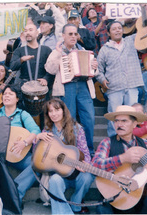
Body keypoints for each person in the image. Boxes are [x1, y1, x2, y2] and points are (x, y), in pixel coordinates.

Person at [0, 84, 41, 205]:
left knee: (36, 165)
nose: (6, 96)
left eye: (10, 94)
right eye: (5, 94)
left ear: (17, 98)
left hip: (16, 153)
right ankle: (10, 196)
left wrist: (24, 142)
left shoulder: (22, 114)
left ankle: (15, 192)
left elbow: (36, 131)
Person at [92, 105, 147, 214]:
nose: (119, 124)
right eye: (117, 121)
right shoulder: (107, 142)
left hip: (139, 196)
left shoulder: (145, 144)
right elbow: (95, 164)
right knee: (102, 210)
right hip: (115, 195)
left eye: (124, 121)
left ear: (134, 124)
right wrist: (122, 158)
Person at [45, 23, 98, 155]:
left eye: (75, 34)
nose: (73, 36)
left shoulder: (83, 49)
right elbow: (50, 69)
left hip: (83, 85)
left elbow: (93, 73)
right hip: (66, 87)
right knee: (69, 119)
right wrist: (58, 54)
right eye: (70, 34)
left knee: (89, 118)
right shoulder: (56, 51)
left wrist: (94, 67)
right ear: (63, 36)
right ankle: (71, 152)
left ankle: (89, 152)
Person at [36, 98, 94, 214]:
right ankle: (62, 212)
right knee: (54, 180)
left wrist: (85, 164)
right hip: (59, 173)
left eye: (57, 110)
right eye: (50, 111)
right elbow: (40, 155)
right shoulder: (47, 130)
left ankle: (76, 203)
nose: (54, 114)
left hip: (76, 172)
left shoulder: (76, 128)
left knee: (87, 177)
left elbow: (86, 153)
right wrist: (37, 138)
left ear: (63, 110)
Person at [95, 20, 144, 137]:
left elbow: (145, 30)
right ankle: (113, 142)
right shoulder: (105, 49)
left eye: (119, 28)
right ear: (108, 33)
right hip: (114, 88)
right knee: (114, 116)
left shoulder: (131, 41)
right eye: (114, 29)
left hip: (132, 85)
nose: (117, 30)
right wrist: (102, 79)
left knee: (132, 117)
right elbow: (97, 69)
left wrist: (144, 9)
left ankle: (132, 141)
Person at [10, 23, 54, 89]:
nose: (27, 33)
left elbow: (53, 69)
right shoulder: (19, 50)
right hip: (24, 88)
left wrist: (46, 79)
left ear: (37, 33)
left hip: (42, 87)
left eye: (30, 30)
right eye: (25, 31)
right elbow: (12, 67)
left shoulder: (46, 50)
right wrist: (21, 60)